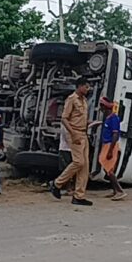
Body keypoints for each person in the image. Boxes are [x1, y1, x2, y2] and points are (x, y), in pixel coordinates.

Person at [49, 78, 94, 206]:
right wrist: (72, 133)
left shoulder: (84, 101)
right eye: (86, 86)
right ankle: (57, 183)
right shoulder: (72, 99)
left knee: (84, 166)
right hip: (74, 133)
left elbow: (81, 119)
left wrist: (90, 124)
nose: (87, 89)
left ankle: (79, 195)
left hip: (83, 133)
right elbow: (64, 118)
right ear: (79, 86)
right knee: (78, 162)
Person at [98, 97, 127, 201]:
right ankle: (115, 190)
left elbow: (115, 134)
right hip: (107, 144)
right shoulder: (109, 118)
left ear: (105, 107)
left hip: (110, 145)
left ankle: (119, 191)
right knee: (108, 169)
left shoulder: (114, 118)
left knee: (109, 170)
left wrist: (110, 150)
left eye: (101, 106)